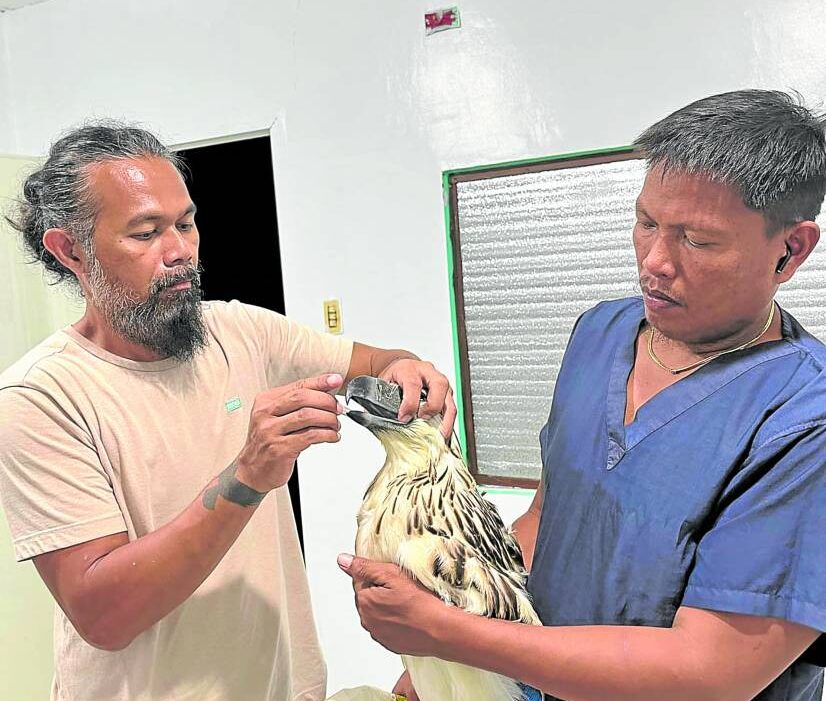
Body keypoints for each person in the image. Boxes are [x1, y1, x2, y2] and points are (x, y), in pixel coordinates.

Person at [339, 89, 826, 701]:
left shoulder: (804, 419)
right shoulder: (602, 333)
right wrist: (435, 669)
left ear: (791, 249)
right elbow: (550, 516)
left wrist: (448, 634)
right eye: (646, 222)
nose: (653, 261)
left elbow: (709, 674)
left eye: (696, 240)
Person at [0, 122, 456, 701]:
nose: (180, 253)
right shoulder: (43, 399)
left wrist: (408, 369)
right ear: (70, 251)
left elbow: (378, 360)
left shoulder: (238, 330)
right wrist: (246, 478)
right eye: (145, 234)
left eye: (186, 224)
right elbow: (103, 615)